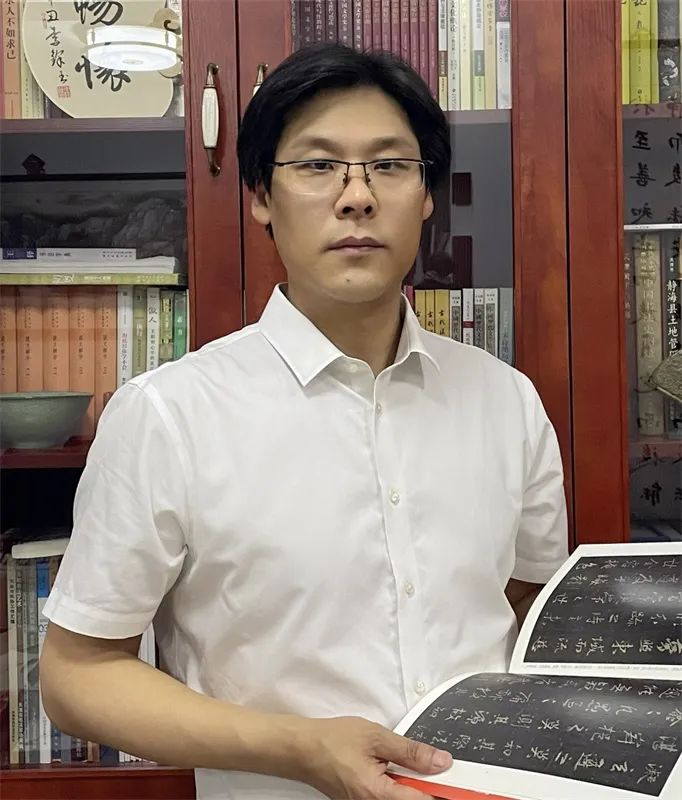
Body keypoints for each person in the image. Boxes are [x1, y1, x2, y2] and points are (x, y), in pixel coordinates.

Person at [40, 43, 568, 800]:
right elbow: (77, 673)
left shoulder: (506, 400)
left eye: (390, 165)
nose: (357, 197)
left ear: (426, 194)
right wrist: (301, 748)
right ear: (261, 195)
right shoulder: (169, 414)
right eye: (318, 165)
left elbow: (530, 606)